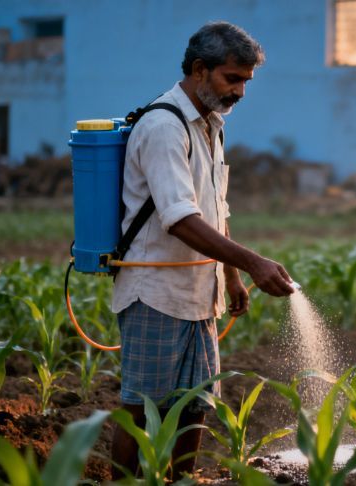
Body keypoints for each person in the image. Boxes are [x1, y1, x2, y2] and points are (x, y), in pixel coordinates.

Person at [110, 22, 295, 480]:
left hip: (199, 294)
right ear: (199, 70)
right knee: (142, 409)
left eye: (246, 82)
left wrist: (231, 277)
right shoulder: (162, 126)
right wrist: (251, 261)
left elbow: (215, 205)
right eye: (233, 79)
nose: (241, 92)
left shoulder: (211, 125)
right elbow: (180, 218)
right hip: (155, 292)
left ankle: (183, 480)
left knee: (195, 405)